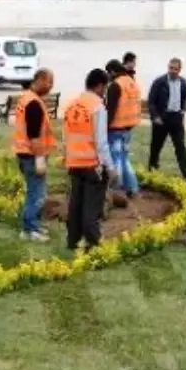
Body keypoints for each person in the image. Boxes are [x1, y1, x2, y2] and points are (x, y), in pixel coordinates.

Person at [63, 68, 119, 251]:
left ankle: (72, 241)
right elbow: (101, 142)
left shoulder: (72, 105)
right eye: (105, 88)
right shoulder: (97, 107)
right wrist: (110, 168)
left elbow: (66, 136)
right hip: (92, 166)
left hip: (74, 163)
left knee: (75, 206)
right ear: (100, 86)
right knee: (91, 210)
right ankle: (95, 243)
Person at [12, 69, 56, 242]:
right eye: (49, 82)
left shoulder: (27, 98)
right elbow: (34, 135)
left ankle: (34, 225)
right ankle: (29, 229)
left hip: (24, 153)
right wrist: (39, 159)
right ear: (40, 80)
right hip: (31, 155)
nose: (51, 86)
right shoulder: (34, 103)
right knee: (36, 194)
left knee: (35, 192)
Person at [147, 57, 186, 181]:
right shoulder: (159, 82)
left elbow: (185, 97)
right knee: (156, 146)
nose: (172, 71)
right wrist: (155, 117)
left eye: (175, 69)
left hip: (176, 118)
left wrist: (183, 109)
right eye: (171, 68)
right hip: (162, 118)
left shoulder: (183, 83)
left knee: (180, 145)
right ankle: (152, 168)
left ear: (180, 70)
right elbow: (151, 101)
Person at [104, 59, 140, 197]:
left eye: (108, 73)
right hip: (129, 127)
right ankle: (133, 188)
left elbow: (111, 110)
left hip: (116, 128)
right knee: (125, 159)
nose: (108, 76)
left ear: (112, 71)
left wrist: (104, 128)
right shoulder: (132, 83)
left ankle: (116, 190)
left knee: (115, 160)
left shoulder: (116, 85)